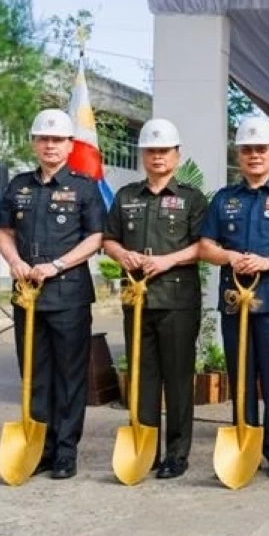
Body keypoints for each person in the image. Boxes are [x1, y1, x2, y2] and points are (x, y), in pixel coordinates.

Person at [0, 109, 106, 479]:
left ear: (70, 144)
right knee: (35, 373)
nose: (50, 145)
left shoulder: (84, 186)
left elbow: (95, 238)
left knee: (69, 375)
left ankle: (65, 451)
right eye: (43, 139)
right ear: (34, 143)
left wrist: (57, 265)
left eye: (57, 139)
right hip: (27, 293)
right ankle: (39, 446)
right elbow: (5, 231)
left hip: (68, 293)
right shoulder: (19, 185)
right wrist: (13, 261)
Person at [198, 115, 269, 479]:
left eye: (261, 149)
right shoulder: (225, 199)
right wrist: (231, 257)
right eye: (248, 149)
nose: (255, 155)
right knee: (240, 376)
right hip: (234, 300)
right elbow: (205, 246)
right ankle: (246, 444)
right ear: (239, 154)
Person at [102, 118, 208, 480]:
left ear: (177, 155)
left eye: (164, 151)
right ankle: (144, 446)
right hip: (138, 301)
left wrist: (167, 260)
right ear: (142, 156)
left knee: (177, 380)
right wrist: (122, 255)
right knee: (142, 377)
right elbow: (109, 238)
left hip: (176, 300)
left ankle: (177, 454)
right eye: (151, 151)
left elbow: (204, 246)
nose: (157, 157)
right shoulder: (127, 196)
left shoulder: (191, 198)